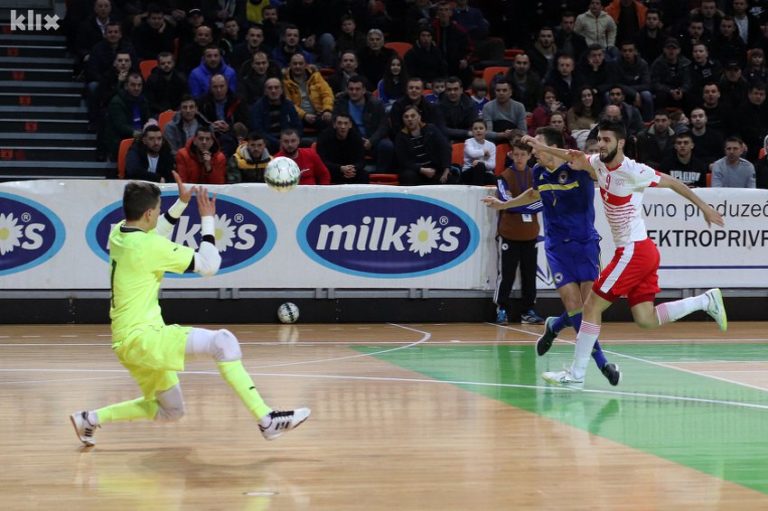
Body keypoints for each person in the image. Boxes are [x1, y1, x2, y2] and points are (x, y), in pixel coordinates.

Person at [70, 173, 310, 446]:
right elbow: (209, 265)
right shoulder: (151, 246)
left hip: (125, 342)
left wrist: (180, 205)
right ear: (149, 213)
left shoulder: (118, 232)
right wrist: (207, 219)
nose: (160, 215)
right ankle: (267, 420)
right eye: (158, 210)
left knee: (171, 410)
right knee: (223, 342)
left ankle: (89, 419)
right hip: (144, 339)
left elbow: (155, 231)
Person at [522, 120, 727, 387]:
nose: (601, 144)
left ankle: (576, 375)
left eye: (607, 140)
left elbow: (673, 183)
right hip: (643, 251)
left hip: (634, 251)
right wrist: (539, 146)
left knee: (591, 306)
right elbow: (574, 156)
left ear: (620, 143)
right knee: (646, 319)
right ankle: (705, 301)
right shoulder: (597, 162)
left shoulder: (633, 170)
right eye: (599, 139)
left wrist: (704, 207)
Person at [482, 127, 618, 385]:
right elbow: (534, 194)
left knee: (590, 308)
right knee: (574, 306)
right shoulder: (538, 171)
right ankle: (602, 363)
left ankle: (555, 326)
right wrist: (503, 205)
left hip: (585, 243)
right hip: (557, 248)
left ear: (551, 147)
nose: (533, 152)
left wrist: (547, 148)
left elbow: (597, 168)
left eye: (537, 146)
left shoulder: (579, 166)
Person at [481, 141, 543, 326]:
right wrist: (523, 206)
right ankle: (501, 308)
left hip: (530, 234)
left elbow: (541, 203)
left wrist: (513, 206)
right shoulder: (504, 176)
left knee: (529, 274)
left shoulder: (535, 175)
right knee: (506, 275)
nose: (519, 158)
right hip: (509, 234)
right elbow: (505, 200)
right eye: (516, 155)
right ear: (511, 155)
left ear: (529, 156)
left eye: (523, 155)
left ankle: (528, 310)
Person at [394, 105, 451, 185]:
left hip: (434, 169)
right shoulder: (400, 137)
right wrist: (421, 170)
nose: (409, 119)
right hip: (416, 171)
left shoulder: (431, 129)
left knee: (449, 177)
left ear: (419, 117)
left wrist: (446, 169)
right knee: (408, 176)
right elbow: (404, 161)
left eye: (413, 116)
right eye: (406, 117)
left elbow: (445, 148)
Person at [316, 113, 368, 184]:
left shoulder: (356, 138)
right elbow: (321, 161)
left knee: (364, 175)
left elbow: (362, 161)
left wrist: (353, 168)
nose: (343, 126)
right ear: (334, 125)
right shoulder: (324, 137)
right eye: (339, 123)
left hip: (351, 172)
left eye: (346, 123)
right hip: (333, 170)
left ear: (350, 125)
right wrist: (340, 168)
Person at [461, 119, 496, 185]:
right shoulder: (468, 142)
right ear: (472, 131)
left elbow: (492, 165)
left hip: (485, 172)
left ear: (486, 130)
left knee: (494, 179)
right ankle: (477, 192)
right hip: (469, 172)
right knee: (479, 166)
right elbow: (472, 154)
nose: (478, 130)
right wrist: (483, 152)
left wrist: (481, 162)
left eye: (481, 128)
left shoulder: (491, 145)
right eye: (475, 129)